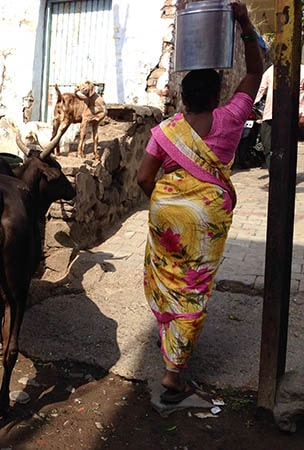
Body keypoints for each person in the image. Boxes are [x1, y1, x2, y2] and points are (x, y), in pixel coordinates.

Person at [137, 1, 263, 404]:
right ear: (216, 96)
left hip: (165, 215)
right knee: (193, 287)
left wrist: (165, 207)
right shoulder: (230, 119)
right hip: (206, 219)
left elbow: (143, 178)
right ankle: (173, 373)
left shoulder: (164, 130)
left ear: (183, 97)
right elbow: (256, 72)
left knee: (168, 279)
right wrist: (243, 22)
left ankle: (169, 341)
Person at [255, 63, 304, 170]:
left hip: (291, 115)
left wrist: (302, 112)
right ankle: (273, 175)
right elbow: (261, 89)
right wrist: (250, 105)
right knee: (267, 145)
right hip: (270, 114)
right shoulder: (271, 69)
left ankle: (284, 178)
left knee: (286, 148)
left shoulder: (301, 70)